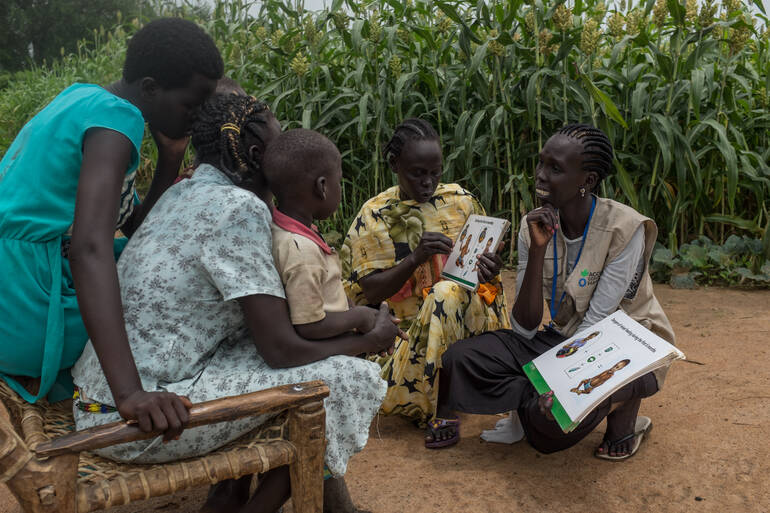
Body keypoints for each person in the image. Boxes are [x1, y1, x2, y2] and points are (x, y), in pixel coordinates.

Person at [71, 94, 397, 513]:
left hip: (97, 397)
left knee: (261, 346)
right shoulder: (238, 209)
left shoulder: (182, 191)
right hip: (143, 418)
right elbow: (281, 350)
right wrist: (366, 342)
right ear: (258, 155)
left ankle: (229, 493)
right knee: (347, 379)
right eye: (279, 144)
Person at [0, 18, 222, 408]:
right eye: (193, 104)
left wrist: (170, 159)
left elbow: (135, 229)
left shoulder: (84, 99)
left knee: (154, 258)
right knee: (175, 293)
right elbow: (89, 247)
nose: (199, 116)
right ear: (151, 88)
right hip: (25, 303)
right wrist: (130, 393)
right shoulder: (117, 120)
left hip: (19, 280)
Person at [428, 123, 676, 461]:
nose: (540, 175)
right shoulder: (533, 228)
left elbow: (596, 325)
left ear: (587, 181)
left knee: (547, 434)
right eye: (541, 163)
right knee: (461, 358)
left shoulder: (624, 228)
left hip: (623, 347)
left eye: (555, 168)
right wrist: (538, 250)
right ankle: (543, 400)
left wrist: (562, 383)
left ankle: (622, 403)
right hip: (562, 338)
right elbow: (525, 328)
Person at [340, 118, 510, 426]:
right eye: (418, 173)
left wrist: (491, 268)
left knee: (446, 292)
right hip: (404, 338)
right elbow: (372, 292)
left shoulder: (460, 203)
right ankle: (437, 399)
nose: (428, 183)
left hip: (464, 326)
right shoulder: (375, 216)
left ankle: (446, 402)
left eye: (435, 173)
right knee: (443, 294)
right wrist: (416, 257)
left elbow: (487, 279)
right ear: (394, 164)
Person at [264, 128, 405, 348]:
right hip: (328, 351)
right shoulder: (300, 250)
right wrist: (359, 317)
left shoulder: (289, 230)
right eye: (338, 181)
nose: (339, 187)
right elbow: (309, 324)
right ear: (322, 187)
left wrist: (361, 315)